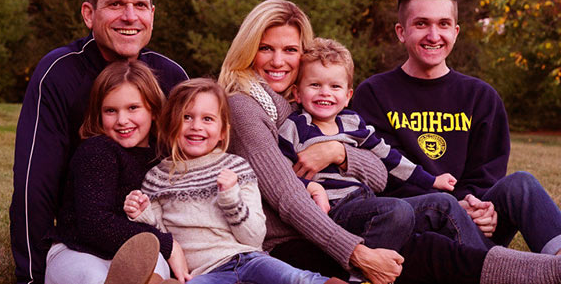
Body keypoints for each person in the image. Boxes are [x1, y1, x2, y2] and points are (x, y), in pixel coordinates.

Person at [218, 0, 561, 284]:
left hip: (392, 212)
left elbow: (379, 168)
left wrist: (339, 152)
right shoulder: (248, 107)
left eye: (290, 49)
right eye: (266, 48)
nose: (279, 61)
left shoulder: (298, 103)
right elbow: (291, 197)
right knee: (429, 250)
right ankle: (543, 272)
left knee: (509, 191)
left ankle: (552, 264)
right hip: (316, 233)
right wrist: (357, 253)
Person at [10, 0, 189, 284]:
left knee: (152, 270)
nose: (130, 16)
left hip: (145, 236)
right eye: (116, 4)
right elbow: (33, 187)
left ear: (152, 14)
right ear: (89, 14)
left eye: (140, 4)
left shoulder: (172, 77)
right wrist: (30, 277)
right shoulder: (60, 72)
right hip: (78, 239)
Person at [353, 0, 561, 255]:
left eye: (443, 24)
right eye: (421, 24)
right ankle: (499, 268)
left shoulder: (480, 97)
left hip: (475, 221)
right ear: (401, 32)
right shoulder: (375, 94)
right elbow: (383, 176)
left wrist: (477, 207)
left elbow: (486, 175)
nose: (433, 35)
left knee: (521, 183)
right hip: (413, 223)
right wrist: (449, 205)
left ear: (456, 31)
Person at [123, 78, 347, 284]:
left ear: (222, 131)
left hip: (250, 258)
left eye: (208, 119)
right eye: (186, 117)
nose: (196, 126)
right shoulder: (157, 178)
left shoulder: (236, 167)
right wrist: (142, 214)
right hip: (206, 272)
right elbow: (162, 238)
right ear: (170, 125)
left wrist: (230, 198)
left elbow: (254, 237)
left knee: (297, 278)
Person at [278, 37, 457, 211]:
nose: (325, 93)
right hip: (333, 208)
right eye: (315, 85)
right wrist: (312, 189)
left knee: (439, 207)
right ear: (297, 94)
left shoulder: (353, 123)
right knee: (398, 211)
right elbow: (280, 176)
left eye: (335, 87)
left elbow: (388, 156)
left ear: (348, 96)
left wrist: (431, 180)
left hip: (365, 200)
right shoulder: (295, 127)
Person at [45, 61, 181, 284]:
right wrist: (168, 245)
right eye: (110, 111)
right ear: (99, 114)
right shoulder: (97, 150)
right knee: (93, 277)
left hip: (133, 252)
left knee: (155, 263)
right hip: (78, 251)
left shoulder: (161, 156)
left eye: (133, 108)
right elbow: (95, 225)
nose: (122, 120)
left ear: (154, 110)